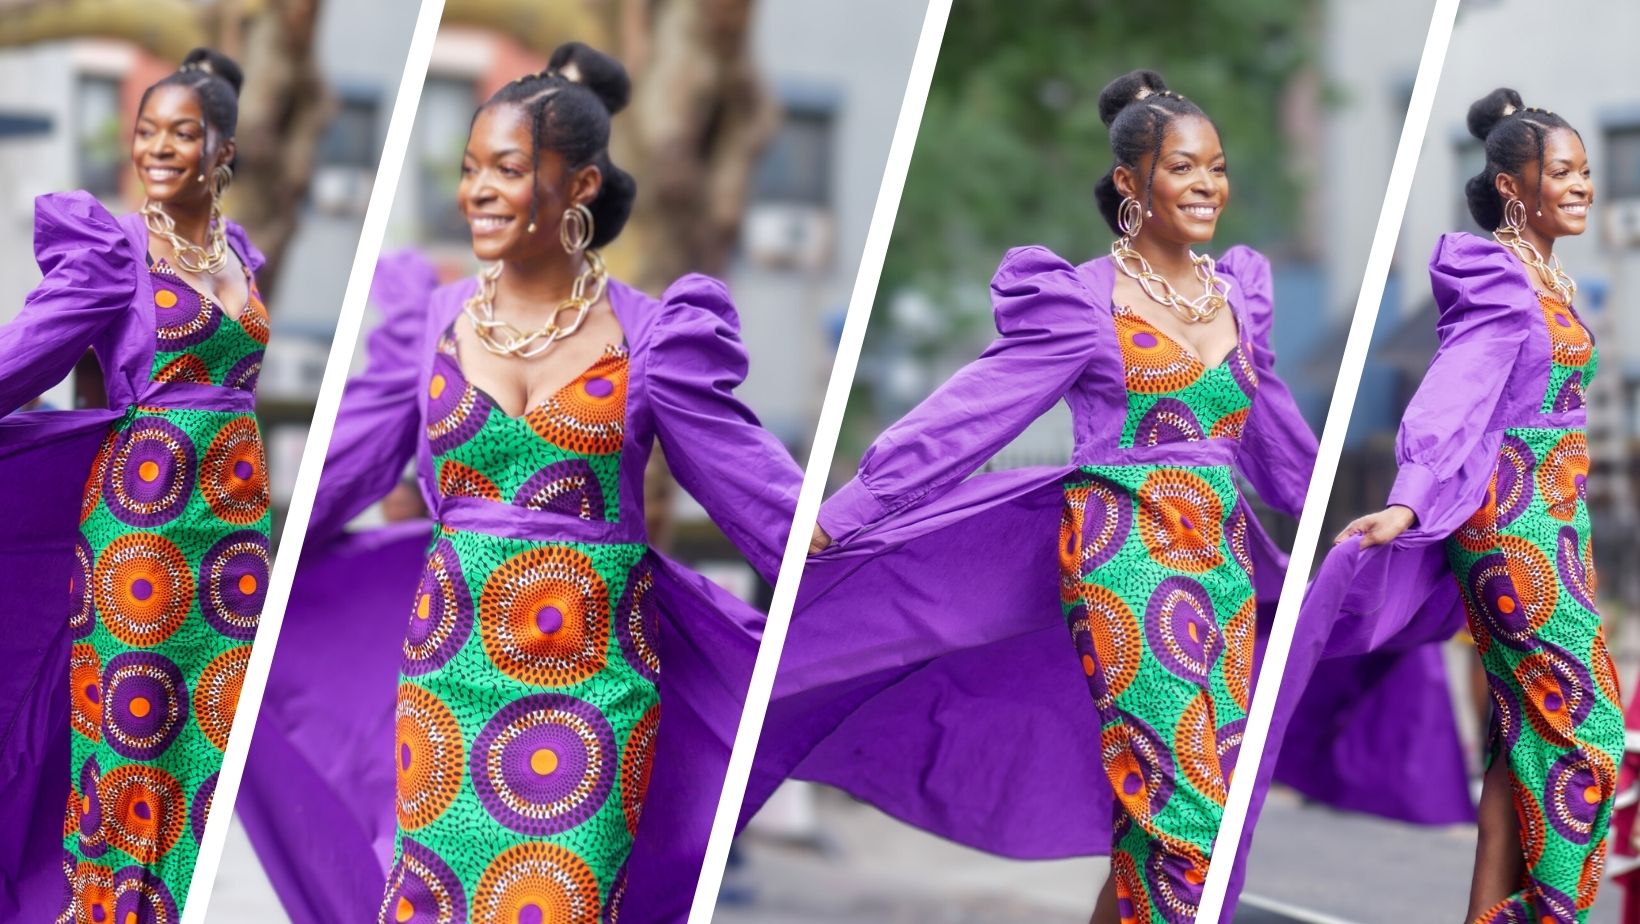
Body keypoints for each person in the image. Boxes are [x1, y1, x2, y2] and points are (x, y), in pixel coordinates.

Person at [235, 43, 801, 923]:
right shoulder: (429, 326)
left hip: (592, 689)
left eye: (506, 169)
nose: (477, 192)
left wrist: (859, 541)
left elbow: (758, 497)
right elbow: (336, 477)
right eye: (469, 170)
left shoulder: (656, 338)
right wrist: (236, 573)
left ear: (580, 187)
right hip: (449, 680)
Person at [746, 69, 1317, 924]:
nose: (1208, 185)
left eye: (1218, 168)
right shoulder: (1082, 303)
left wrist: (1361, 528)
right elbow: (967, 418)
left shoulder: (1237, 297)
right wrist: (842, 514)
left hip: (1223, 573)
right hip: (1126, 563)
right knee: (1187, 811)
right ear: (1130, 183)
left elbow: (1277, 445)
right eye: (1183, 168)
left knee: (1191, 810)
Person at [1265, 88, 1620, 923]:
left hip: (1559, 526)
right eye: (1562, 172)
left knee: (1523, 734)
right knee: (1590, 733)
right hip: (1513, 527)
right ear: (1511, 187)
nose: (1583, 185)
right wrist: (1409, 498)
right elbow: (1454, 390)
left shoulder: (1549, 276)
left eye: (1585, 170)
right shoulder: (1498, 276)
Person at [0, 49, 268, 920]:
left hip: (235, 533)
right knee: (134, 730)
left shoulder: (242, 255)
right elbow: (24, 356)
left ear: (223, 150)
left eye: (180, 133)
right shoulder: (114, 252)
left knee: (215, 733)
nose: (155, 147)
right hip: (141, 527)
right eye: (145, 130)